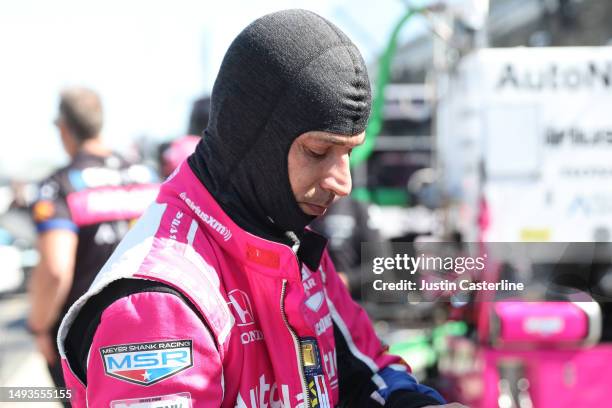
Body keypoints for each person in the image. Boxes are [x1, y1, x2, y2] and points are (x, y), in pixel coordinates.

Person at [58, 11, 465, 408]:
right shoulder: (159, 304)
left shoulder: (287, 239)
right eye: (320, 151)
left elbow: (365, 366)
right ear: (252, 137)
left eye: (348, 154)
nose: (344, 182)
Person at [27, 87, 158, 392]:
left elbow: (55, 270)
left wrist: (40, 326)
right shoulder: (145, 175)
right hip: (156, 325)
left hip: (87, 342)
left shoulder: (59, 185)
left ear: (63, 128)